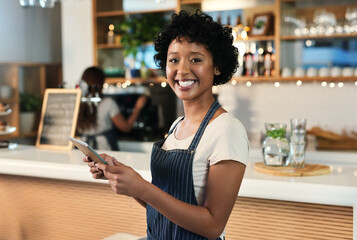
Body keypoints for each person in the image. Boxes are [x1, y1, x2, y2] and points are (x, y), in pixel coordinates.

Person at [84, 10, 249, 239]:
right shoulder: (176, 126)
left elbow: (212, 226)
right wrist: (125, 178)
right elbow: (163, 206)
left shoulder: (227, 129)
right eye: (174, 60)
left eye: (196, 59)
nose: (182, 70)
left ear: (217, 66)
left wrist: (142, 187)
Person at [76, 66, 147, 150]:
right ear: (101, 83)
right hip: (104, 148)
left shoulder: (77, 102)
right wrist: (138, 107)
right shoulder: (108, 103)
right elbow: (125, 127)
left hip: (83, 149)